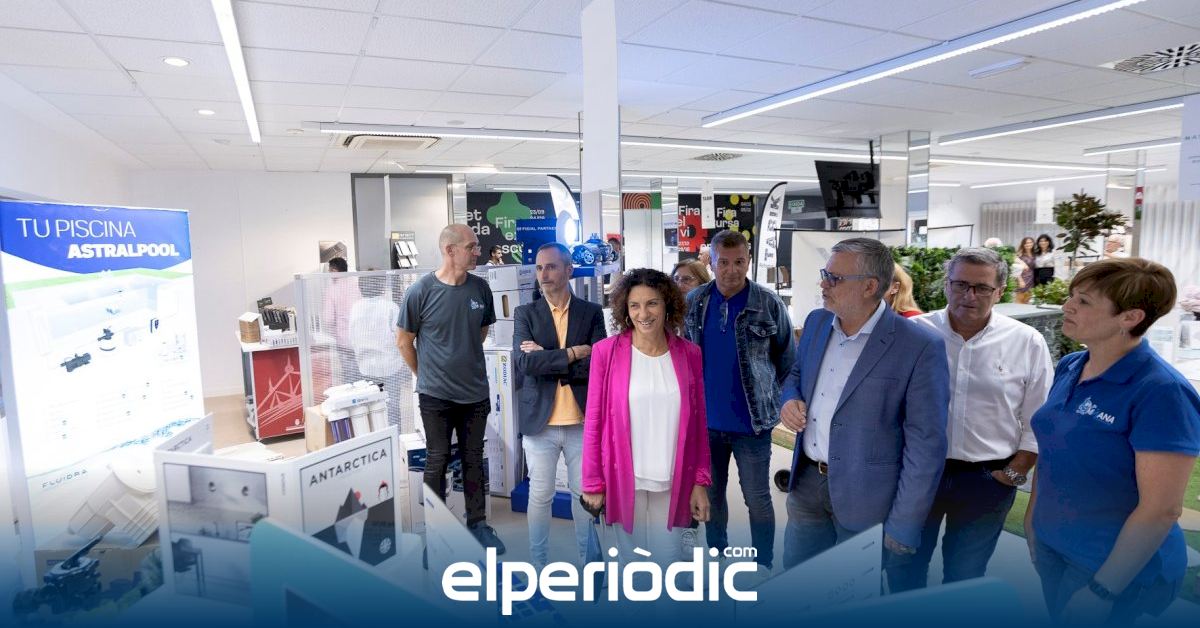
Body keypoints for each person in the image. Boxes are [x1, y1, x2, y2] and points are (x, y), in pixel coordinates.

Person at [1025, 258, 1200, 624]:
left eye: (1084, 301)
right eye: (1072, 295)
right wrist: (1033, 523)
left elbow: (1162, 509)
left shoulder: (1161, 391)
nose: (1067, 306)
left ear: (1130, 317)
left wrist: (1103, 589)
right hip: (1055, 545)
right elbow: (1053, 451)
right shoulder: (1072, 365)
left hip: (1110, 568)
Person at [778, 238, 949, 591]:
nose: (823, 283)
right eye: (826, 274)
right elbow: (796, 374)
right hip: (807, 485)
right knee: (796, 587)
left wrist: (904, 524)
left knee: (850, 598)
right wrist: (789, 399)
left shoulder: (919, 346)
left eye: (834, 278)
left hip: (868, 499)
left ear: (870, 286)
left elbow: (925, 446)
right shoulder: (817, 323)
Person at [888, 248, 1053, 592]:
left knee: (965, 577)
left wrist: (1014, 472)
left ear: (1000, 291)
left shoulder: (1026, 342)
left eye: (981, 288)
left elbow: (1039, 417)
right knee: (903, 567)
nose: (969, 295)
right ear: (946, 285)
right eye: (960, 285)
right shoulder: (913, 332)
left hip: (987, 480)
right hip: (919, 474)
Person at [683, 229, 795, 576]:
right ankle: (718, 554)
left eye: (739, 262)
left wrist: (775, 400)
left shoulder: (768, 303)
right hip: (705, 425)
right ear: (711, 263)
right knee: (713, 497)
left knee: (757, 498)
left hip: (752, 425)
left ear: (748, 261)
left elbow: (788, 361)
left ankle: (763, 563)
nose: (731, 270)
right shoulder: (695, 302)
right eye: (724, 263)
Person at [582, 268, 711, 566]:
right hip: (624, 477)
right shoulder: (605, 353)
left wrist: (700, 481)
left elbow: (698, 424)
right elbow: (594, 423)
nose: (643, 313)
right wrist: (592, 482)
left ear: (667, 304)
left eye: (652, 303)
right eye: (635, 305)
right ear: (625, 310)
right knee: (632, 563)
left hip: (674, 476)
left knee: (670, 560)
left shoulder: (689, 354)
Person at [396, 224, 505, 553]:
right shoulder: (420, 292)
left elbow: (480, 333)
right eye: (472, 247)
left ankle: (478, 525)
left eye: (477, 246)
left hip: (475, 393)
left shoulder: (480, 289)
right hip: (436, 396)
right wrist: (426, 375)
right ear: (450, 250)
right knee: (437, 459)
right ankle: (436, 531)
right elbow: (404, 342)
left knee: (473, 458)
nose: (478, 252)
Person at [512, 243, 607, 568]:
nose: (544, 274)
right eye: (539, 268)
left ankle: (589, 562)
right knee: (540, 496)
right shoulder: (525, 313)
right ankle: (539, 564)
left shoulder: (591, 312)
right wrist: (572, 353)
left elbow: (598, 364)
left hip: (582, 423)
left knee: (584, 497)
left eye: (551, 267)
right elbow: (525, 364)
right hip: (540, 424)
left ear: (569, 270)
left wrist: (547, 357)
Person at [321, 256, 360, 382]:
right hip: (361, 336)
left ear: (334, 271)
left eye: (329, 270)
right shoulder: (357, 283)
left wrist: (333, 332)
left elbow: (328, 319)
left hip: (343, 339)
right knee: (362, 372)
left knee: (349, 374)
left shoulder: (331, 289)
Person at [1014, 236, 1036, 304]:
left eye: (1030, 242)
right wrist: (1020, 280)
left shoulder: (1035, 254)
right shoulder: (1020, 255)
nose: (1028, 244)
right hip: (1023, 280)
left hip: (1031, 281)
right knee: (1019, 303)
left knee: (1028, 303)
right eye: (1026, 243)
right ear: (1023, 244)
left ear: (1033, 243)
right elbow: (1015, 269)